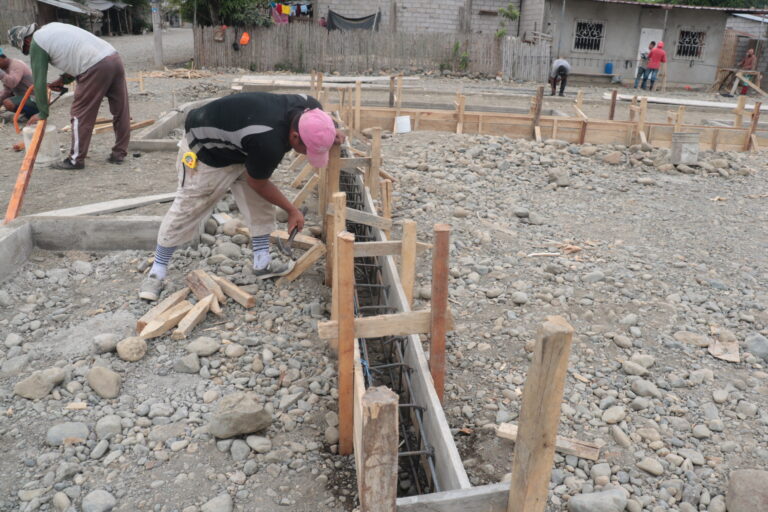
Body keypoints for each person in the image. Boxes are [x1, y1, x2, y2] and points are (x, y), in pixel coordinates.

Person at [138, 92, 345, 301]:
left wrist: (329, 133)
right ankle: (157, 271)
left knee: (260, 203)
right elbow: (259, 183)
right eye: (306, 149)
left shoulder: (311, 108)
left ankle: (262, 262)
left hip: (240, 145)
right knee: (189, 207)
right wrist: (292, 210)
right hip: (206, 150)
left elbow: (259, 185)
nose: (306, 154)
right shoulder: (268, 140)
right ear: (294, 136)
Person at [8, 23, 130, 170]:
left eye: (26, 49)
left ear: (26, 41)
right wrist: (62, 80)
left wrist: (42, 113)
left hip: (94, 67)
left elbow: (39, 81)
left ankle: (75, 160)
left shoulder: (37, 42)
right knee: (121, 110)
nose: (28, 51)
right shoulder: (52, 28)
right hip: (113, 58)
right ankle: (119, 154)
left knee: (80, 113)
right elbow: (77, 54)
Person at [0, 47, 38, 119]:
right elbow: (7, 90)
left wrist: (1, 74)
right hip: (25, 96)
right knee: (4, 97)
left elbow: (12, 83)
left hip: (35, 98)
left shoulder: (16, 65)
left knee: (8, 103)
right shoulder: (5, 68)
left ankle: (34, 113)